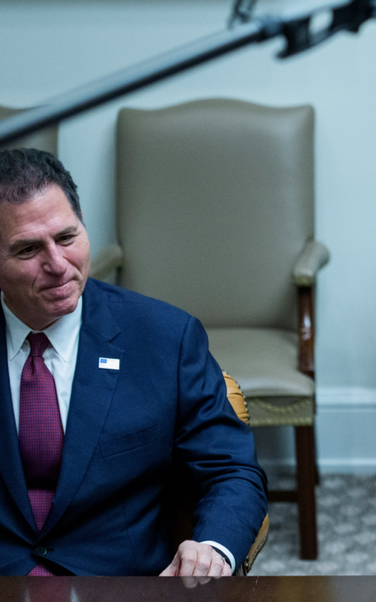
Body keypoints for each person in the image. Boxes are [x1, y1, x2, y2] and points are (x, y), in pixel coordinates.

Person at [0, 149, 267, 576]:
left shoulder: (164, 338)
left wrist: (212, 548)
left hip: (120, 584)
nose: (57, 265)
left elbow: (230, 470)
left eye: (67, 238)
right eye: (28, 249)